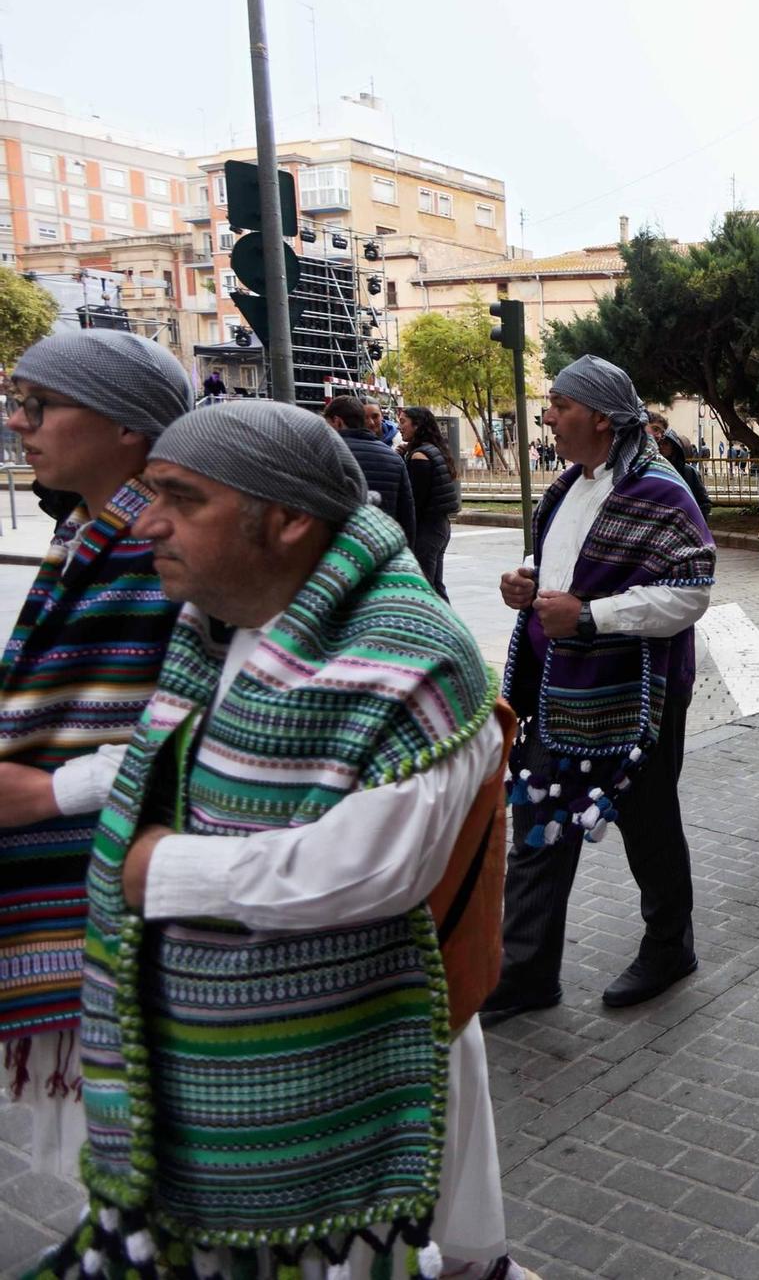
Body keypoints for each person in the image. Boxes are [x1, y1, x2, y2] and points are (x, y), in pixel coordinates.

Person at [39, 399, 530, 1279]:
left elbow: (377, 867)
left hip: (339, 1070)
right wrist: (60, 792)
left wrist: (162, 870)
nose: (147, 523)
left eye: (182, 498)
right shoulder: (215, 621)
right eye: (152, 492)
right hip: (199, 1070)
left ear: (289, 519)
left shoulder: (419, 656)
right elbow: (179, 750)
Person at [0, 331, 189, 1178]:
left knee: (124, 1160)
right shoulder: (86, 530)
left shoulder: (169, 541)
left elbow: (217, 718)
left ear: (125, 425)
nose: (18, 422)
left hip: (135, 896)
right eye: (18, 402)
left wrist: (53, 792)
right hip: (100, 879)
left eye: (39, 405)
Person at [483, 356, 716, 1022]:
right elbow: (566, 559)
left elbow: (691, 591)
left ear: (603, 420)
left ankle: (669, 947)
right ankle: (526, 970)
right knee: (537, 820)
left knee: (648, 824)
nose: (549, 418)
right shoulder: (566, 486)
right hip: (556, 693)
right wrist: (527, 579)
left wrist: (589, 617)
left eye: (560, 406)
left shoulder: (661, 491)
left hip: (634, 697)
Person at [323, 392, 418, 544]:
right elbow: (407, 514)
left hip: (339, 547)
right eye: (367, 417)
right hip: (383, 544)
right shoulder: (394, 458)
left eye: (375, 416)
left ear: (338, 422)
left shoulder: (324, 454)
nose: (371, 422)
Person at [398, 403, 461, 597]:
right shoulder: (433, 450)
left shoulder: (419, 456)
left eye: (403, 422)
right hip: (440, 526)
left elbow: (416, 500)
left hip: (427, 530)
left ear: (417, 425)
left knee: (423, 587)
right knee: (435, 586)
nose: (399, 427)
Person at [650, 417, 713, 519]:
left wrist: (694, 521)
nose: (661, 447)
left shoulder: (689, 472)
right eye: (659, 444)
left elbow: (704, 502)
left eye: (665, 444)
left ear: (673, 447)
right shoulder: (653, 471)